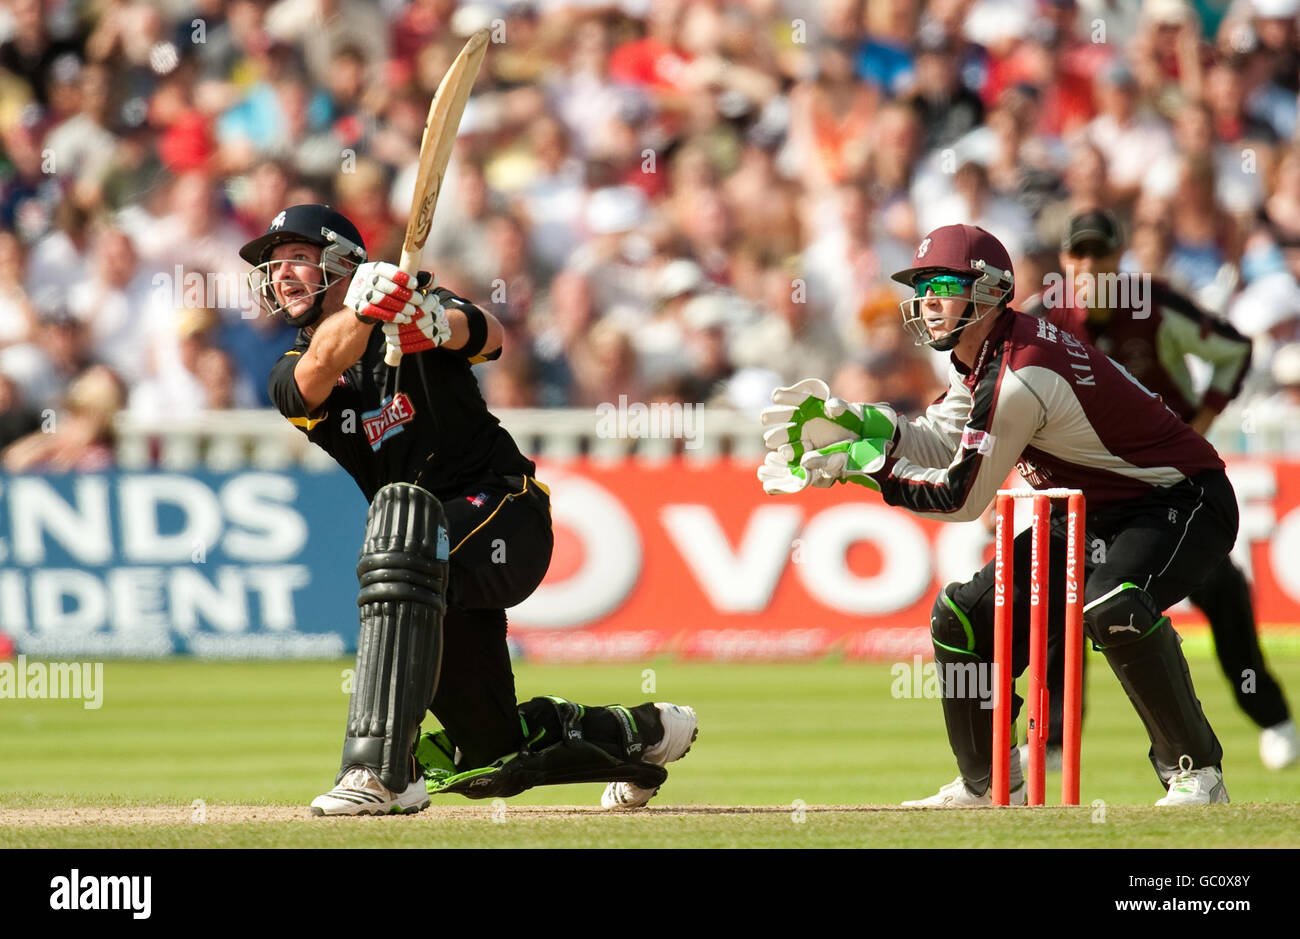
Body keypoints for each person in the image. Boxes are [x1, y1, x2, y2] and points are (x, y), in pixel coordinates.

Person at [240, 204, 697, 815]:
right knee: (490, 759)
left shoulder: (413, 301)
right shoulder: (289, 367)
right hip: (431, 572)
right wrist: (363, 310)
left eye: (296, 257)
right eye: (274, 266)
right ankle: (639, 730)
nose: (280, 275)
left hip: (504, 511)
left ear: (342, 260)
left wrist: (431, 319)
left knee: (401, 529)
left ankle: (380, 773)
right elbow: (320, 371)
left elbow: (488, 333)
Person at [760, 223, 1236, 806]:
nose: (926, 299)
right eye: (921, 285)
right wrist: (860, 422)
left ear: (987, 290)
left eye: (941, 283)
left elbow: (962, 499)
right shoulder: (982, 355)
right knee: (959, 617)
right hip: (1090, 510)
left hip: (1181, 499)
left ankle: (1196, 774)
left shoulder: (1019, 373)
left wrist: (864, 467)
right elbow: (938, 437)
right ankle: (987, 780)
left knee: (1114, 605)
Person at [1026, 209, 1296, 771]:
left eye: (1101, 253)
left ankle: (1272, 718)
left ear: (1119, 257)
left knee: (1220, 587)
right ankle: (1051, 742)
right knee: (1061, 598)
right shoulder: (1042, 321)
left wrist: (1196, 426)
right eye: (1079, 254)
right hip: (1087, 497)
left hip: (1166, 494)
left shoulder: (1151, 306)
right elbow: (1013, 406)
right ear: (1065, 262)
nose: (1090, 265)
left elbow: (1233, 351)